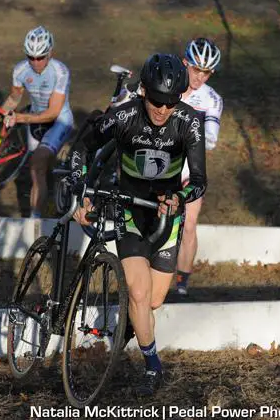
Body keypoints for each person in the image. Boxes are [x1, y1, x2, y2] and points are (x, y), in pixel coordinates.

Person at [70, 53, 206, 396]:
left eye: (171, 103)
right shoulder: (125, 116)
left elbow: (200, 180)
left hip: (165, 219)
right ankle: (152, 366)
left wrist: (180, 196)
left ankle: (127, 334)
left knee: (154, 301)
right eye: (157, 101)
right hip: (129, 212)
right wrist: (81, 193)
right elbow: (81, 148)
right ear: (144, 91)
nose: (162, 110)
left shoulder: (189, 122)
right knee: (139, 294)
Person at [0, 25, 74, 218]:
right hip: (35, 121)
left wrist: (21, 118)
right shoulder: (20, 70)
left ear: (50, 53)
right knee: (40, 170)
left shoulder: (60, 72)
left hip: (58, 121)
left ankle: (35, 220)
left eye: (40, 57)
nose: (35, 62)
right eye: (30, 57)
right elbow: (13, 100)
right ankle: (46, 203)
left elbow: (52, 112)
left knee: (37, 163)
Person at [175, 37, 224, 295]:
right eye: (196, 69)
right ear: (185, 64)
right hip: (158, 161)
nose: (200, 77)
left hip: (188, 168)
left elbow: (211, 139)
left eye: (206, 72)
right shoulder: (169, 83)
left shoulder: (212, 99)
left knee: (189, 223)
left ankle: (182, 282)